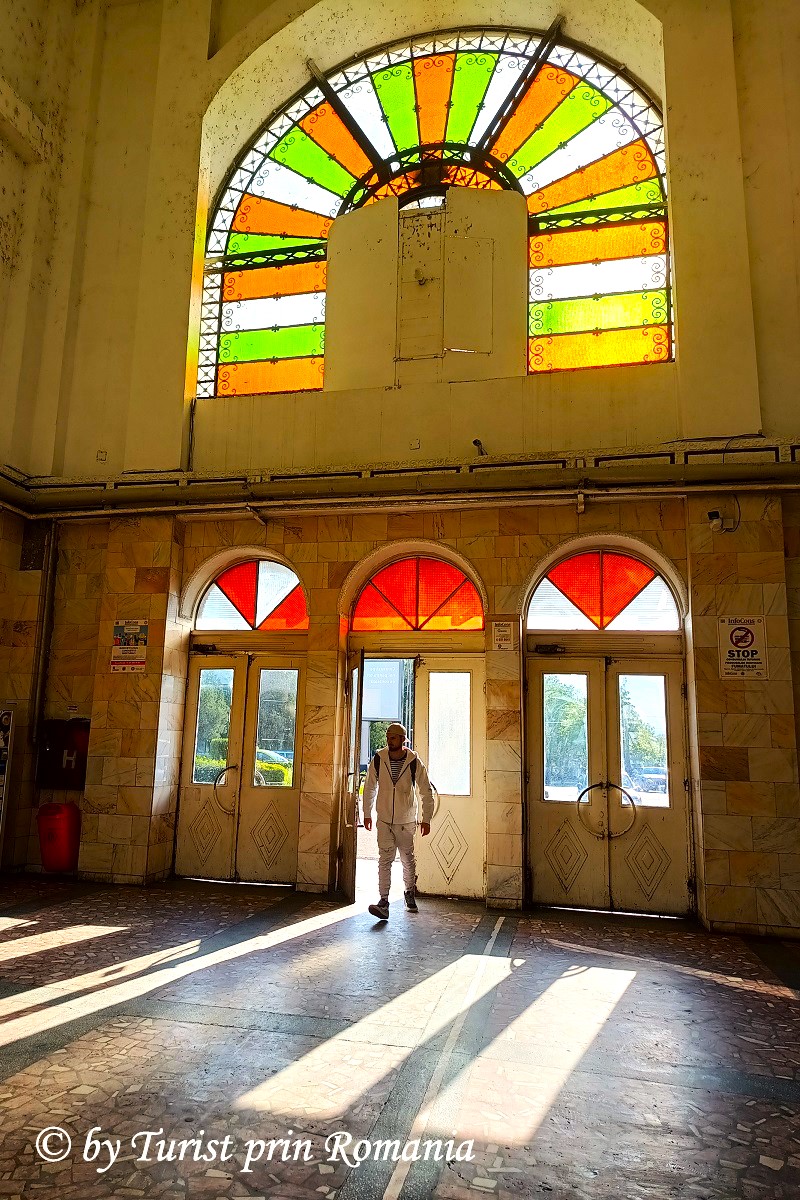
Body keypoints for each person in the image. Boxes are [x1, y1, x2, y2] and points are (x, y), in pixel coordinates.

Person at [362, 721, 434, 920]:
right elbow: (369, 787)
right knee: (384, 859)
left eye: (393, 738)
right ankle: (383, 901)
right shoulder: (379, 759)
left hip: (406, 820)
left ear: (402, 739)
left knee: (407, 858)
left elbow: (426, 790)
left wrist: (426, 818)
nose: (389, 741)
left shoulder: (413, 761)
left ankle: (409, 893)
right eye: (388, 738)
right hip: (384, 818)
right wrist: (367, 813)